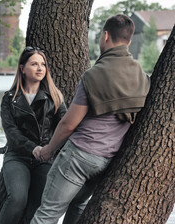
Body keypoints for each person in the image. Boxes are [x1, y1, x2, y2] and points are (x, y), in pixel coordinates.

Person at [30, 14, 151, 224]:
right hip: (108, 161)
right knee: (78, 206)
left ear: (105, 36)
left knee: (46, 215)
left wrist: (47, 150)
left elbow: (69, 124)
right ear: (129, 41)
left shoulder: (93, 75)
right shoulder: (143, 77)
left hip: (78, 157)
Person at [0, 46, 67, 224]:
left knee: (39, 205)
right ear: (22, 68)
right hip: (17, 156)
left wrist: (49, 149)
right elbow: (11, 132)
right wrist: (33, 148)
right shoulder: (9, 99)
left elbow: (65, 126)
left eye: (43, 64)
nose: (40, 68)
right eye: (34, 64)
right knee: (17, 199)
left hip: (45, 159)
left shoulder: (54, 97)